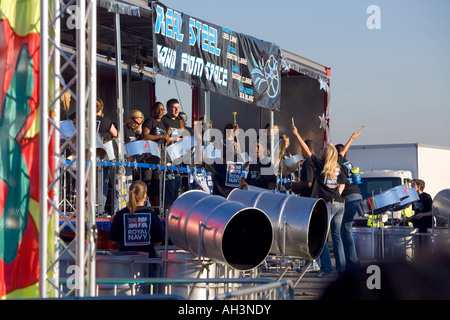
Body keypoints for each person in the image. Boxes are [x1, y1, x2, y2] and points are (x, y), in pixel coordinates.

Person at [292, 124, 347, 277]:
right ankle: (341, 267)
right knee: (337, 236)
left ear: (325, 155)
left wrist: (296, 134)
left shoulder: (320, 164)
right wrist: (351, 139)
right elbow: (343, 151)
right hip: (340, 203)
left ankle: (326, 268)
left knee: (322, 236)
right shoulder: (338, 165)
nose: (320, 151)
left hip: (328, 203)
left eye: (323, 150)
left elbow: (307, 152)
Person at [108, 180, 164, 259]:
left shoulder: (120, 215)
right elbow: (158, 241)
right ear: (145, 196)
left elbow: (113, 241)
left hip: (125, 262)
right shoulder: (152, 215)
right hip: (147, 262)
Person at [336, 139, 363, 271]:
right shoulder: (349, 164)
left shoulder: (339, 165)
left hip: (349, 197)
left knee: (345, 230)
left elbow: (340, 185)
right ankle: (350, 260)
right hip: (357, 195)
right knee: (345, 229)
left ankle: (353, 262)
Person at [96, 98, 118, 215]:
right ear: (102, 108)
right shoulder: (106, 121)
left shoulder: (85, 120)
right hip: (102, 154)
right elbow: (116, 134)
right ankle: (99, 210)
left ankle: (88, 209)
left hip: (87, 154)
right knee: (102, 182)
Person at [406, 178, 433, 258]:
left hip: (426, 225)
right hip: (417, 225)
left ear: (419, 186)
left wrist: (422, 215)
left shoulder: (426, 197)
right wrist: (409, 218)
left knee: (426, 247)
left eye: (413, 184)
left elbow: (432, 212)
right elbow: (416, 213)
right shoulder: (414, 198)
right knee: (418, 247)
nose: (411, 186)